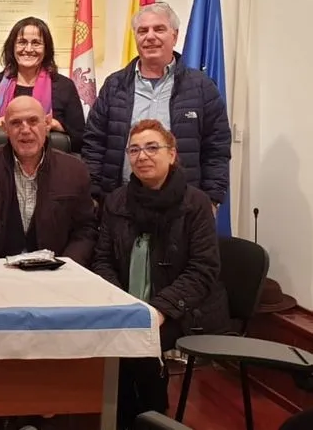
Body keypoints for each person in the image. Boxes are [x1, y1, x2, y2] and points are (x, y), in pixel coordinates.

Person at [91, 119, 231, 427]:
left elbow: (203, 270)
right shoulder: (116, 201)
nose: (142, 156)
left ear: (172, 153)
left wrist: (159, 310)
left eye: (152, 148)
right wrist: (119, 302)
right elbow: (102, 260)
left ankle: (146, 418)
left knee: (139, 341)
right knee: (108, 335)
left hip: (184, 310)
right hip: (127, 304)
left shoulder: (196, 204)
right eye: (134, 150)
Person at [83, 2, 231, 208]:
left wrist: (212, 200)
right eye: (142, 31)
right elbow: (94, 143)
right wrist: (93, 195)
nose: (150, 36)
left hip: (183, 206)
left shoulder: (201, 87)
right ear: (136, 37)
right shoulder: (114, 85)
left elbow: (216, 147)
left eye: (159, 29)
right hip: (122, 204)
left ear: (174, 36)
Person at [0, 96, 97, 265]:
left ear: (47, 124)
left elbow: (85, 228)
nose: (25, 130)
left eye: (33, 121)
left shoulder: (74, 170)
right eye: (16, 123)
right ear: (5, 129)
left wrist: (68, 265)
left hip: (54, 269)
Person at [0, 16, 85, 153]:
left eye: (36, 43)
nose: (29, 49)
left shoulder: (64, 86)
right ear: (12, 47)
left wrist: (58, 126)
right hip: (0, 162)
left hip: (49, 163)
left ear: (46, 49)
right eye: (22, 42)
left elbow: (81, 141)